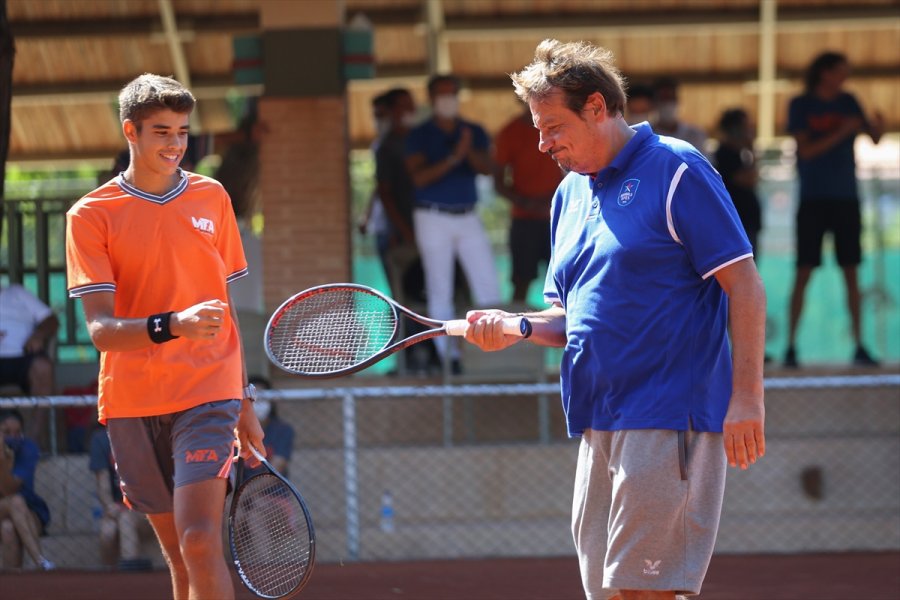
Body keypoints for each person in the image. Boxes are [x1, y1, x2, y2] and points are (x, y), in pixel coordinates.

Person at [463, 39, 766, 600]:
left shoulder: (676, 168)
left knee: (644, 592)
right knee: (609, 593)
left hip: (668, 413)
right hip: (597, 421)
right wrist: (516, 326)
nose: (542, 143)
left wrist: (747, 398)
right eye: (537, 129)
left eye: (553, 126)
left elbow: (744, 285)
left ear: (597, 107)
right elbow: (570, 316)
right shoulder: (568, 196)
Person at [65, 73, 265, 600]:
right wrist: (173, 324)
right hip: (132, 400)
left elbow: (224, 309)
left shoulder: (212, 197)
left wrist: (244, 398)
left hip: (208, 392)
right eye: (162, 132)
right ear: (130, 131)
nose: (176, 144)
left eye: (182, 131)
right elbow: (102, 332)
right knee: (177, 554)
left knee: (199, 539)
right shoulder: (90, 215)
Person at [783, 51, 884, 368]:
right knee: (803, 272)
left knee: (851, 272)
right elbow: (806, 151)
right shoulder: (801, 105)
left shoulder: (849, 101)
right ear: (824, 73)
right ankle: (790, 346)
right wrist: (842, 131)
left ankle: (859, 345)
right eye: (840, 71)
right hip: (813, 199)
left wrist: (877, 127)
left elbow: (874, 138)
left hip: (846, 198)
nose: (845, 77)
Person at [406, 74, 501, 372]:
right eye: (442, 93)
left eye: (452, 93)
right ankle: (451, 360)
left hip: (468, 215)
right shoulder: (419, 134)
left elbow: (488, 169)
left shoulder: (473, 131)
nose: (448, 99)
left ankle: (494, 354)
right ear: (431, 98)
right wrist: (452, 157)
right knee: (440, 289)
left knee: (488, 284)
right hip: (432, 216)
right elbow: (418, 178)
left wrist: (466, 150)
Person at [493, 107, 564, 303]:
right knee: (521, 282)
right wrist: (525, 203)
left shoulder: (563, 126)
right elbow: (497, 181)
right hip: (524, 220)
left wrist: (553, 201)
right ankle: (517, 323)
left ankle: (565, 323)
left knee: (566, 281)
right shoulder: (510, 132)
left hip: (558, 219)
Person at [0, 283, 59, 450]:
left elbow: (51, 320)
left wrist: (38, 335)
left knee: (43, 368)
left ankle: (33, 442)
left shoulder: (17, 293)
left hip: (24, 356)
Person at [88, 424, 155, 570]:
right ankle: (110, 573)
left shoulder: (143, 436)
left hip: (143, 507)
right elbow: (102, 482)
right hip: (118, 507)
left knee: (126, 519)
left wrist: (133, 507)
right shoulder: (101, 439)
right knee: (107, 532)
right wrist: (109, 506)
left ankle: (130, 568)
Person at [0, 409, 53, 570]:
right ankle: (40, 561)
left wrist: (2, 460)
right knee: (16, 502)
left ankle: (14, 580)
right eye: (6, 432)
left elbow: (9, 490)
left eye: (17, 432)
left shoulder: (28, 448)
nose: (13, 437)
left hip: (27, 511)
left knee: (8, 528)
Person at [713, 108, 762, 254]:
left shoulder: (741, 153)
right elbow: (748, 179)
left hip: (748, 220)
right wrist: (751, 148)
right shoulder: (724, 154)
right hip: (736, 221)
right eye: (745, 127)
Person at [238, 378, 294, 481]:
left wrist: (250, 490)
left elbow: (276, 468)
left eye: (263, 399)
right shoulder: (236, 431)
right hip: (240, 487)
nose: (258, 404)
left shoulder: (282, 430)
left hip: (272, 488)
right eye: (253, 399)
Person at [652, 77, 708, 153]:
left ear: (677, 100)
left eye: (671, 98)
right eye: (663, 99)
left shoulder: (695, 134)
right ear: (654, 103)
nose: (667, 104)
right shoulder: (650, 135)